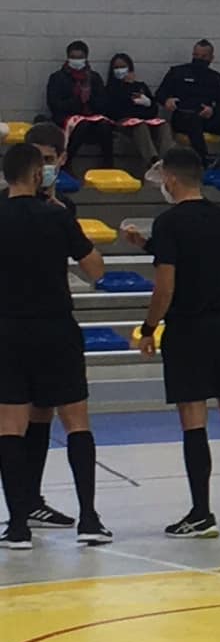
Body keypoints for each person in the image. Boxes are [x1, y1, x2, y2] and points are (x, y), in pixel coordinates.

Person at [128, 145, 220, 538]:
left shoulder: (168, 223)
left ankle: (202, 512)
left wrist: (149, 327)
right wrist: (148, 245)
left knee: (193, 416)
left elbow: (166, 285)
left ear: (170, 178)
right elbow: (200, 257)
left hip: (187, 327)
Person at [0, 141, 109, 549]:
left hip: (8, 329)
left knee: (10, 425)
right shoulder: (57, 215)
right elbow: (95, 269)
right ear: (36, 174)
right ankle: (89, 519)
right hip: (56, 328)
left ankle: (18, 524)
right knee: (76, 421)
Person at [13, 122, 81, 531]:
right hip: (10, 322)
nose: (42, 169)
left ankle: (30, 499)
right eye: (36, 160)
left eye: (49, 160)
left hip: (49, 321)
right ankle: (17, 504)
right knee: (11, 417)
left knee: (42, 412)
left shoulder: (63, 209)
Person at [157, 40, 220, 167]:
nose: (199, 59)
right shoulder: (178, 72)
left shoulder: (215, 77)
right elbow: (159, 94)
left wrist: (212, 110)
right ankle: (204, 159)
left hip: (206, 116)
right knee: (193, 120)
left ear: (211, 58)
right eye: (196, 55)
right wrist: (167, 100)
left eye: (203, 57)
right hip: (184, 116)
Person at [97, 53, 172, 180]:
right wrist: (126, 87)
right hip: (124, 123)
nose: (120, 70)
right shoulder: (110, 89)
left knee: (164, 126)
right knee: (140, 126)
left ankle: (168, 160)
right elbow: (114, 111)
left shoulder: (140, 86)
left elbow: (153, 110)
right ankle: (153, 161)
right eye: (116, 67)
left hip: (146, 120)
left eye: (123, 67)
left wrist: (148, 103)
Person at [44, 40, 113, 174]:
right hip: (67, 118)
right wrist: (78, 100)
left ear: (86, 58)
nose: (76, 61)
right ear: (67, 58)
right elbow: (54, 104)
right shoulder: (57, 78)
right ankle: (66, 162)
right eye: (73, 57)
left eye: (80, 57)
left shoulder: (94, 78)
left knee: (104, 125)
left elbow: (103, 104)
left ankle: (108, 164)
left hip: (91, 117)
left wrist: (89, 98)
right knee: (82, 124)